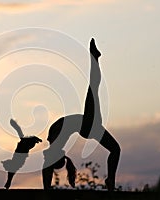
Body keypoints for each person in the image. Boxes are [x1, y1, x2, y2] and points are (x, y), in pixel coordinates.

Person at [42, 38, 121, 191]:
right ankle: (94, 58)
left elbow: (47, 166)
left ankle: (111, 181)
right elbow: (47, 166)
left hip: (87, 124)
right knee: (93, 88)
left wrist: (46, 188)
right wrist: (46, 188)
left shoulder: (54, 142)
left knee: (116, 149)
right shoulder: (55, 143)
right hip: (87, 125)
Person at [2, 119, 42, 189]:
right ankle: (8, 184)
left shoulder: (14, 165)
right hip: (20, 152)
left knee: (11, 172)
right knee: (11, 173)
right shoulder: (14, 166)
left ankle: (8, 184)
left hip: (20, 152)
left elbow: (10, 172)